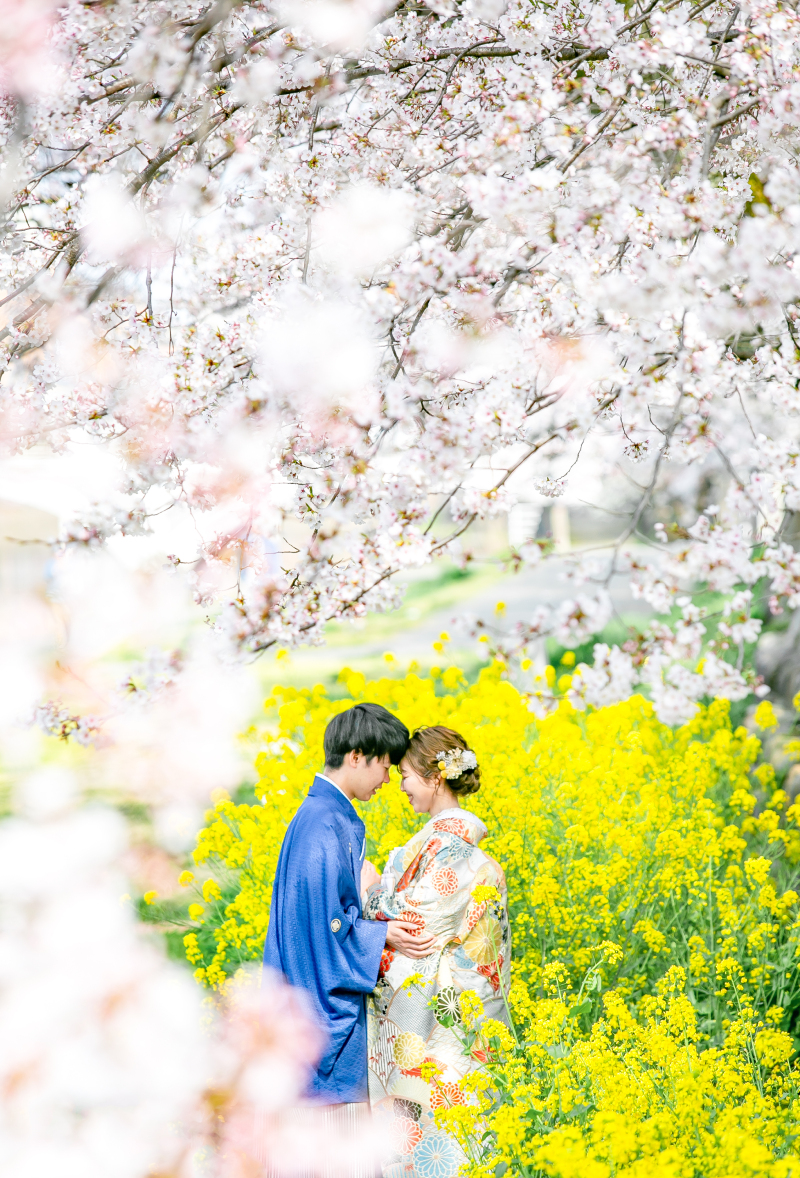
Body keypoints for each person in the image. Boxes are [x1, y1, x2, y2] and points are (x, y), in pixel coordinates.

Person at [263, 702, 436, 1116]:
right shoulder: (324, 825)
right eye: (386, 766)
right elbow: (324, 929)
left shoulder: (324, 815)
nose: (388, 779)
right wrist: (381, 934)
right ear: (357, 757)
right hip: (317, 1014)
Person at [363, 726, 510, 1178]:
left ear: (434, 777)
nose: (400, 786)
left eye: (405, 775)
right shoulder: (441, 842)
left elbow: (418, 920)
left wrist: (369, 889)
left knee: (445, 1128)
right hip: (458, 1007)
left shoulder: (453, 846)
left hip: (446, 1021)